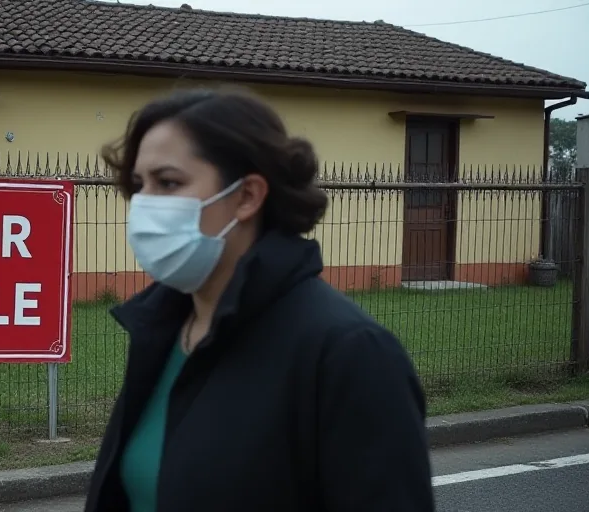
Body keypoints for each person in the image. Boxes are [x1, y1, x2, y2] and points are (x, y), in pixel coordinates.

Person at [83, 87, 435, 512]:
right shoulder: (164, 331)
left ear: (247, 196)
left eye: (169, 182)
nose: (143, 204)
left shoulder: (349, 353)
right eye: (140, 184)